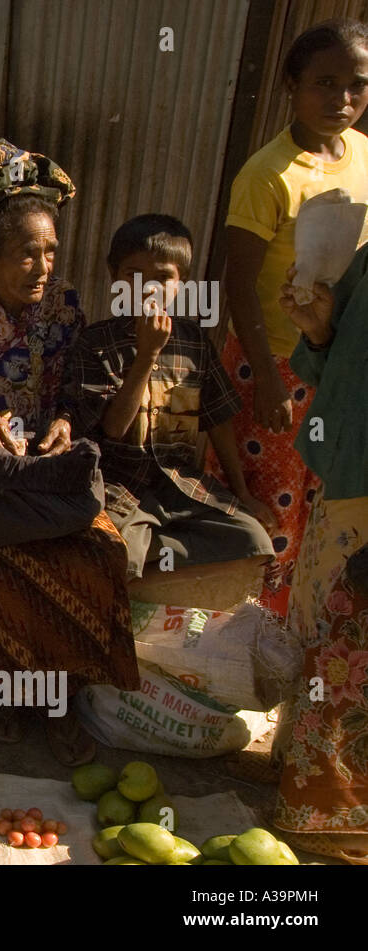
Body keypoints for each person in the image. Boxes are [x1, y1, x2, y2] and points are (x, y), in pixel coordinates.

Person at [0, 140, 137, 766]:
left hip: (48, 472)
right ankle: (11, 688)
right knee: (6, 550)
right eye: (26, 252)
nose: (43, 265)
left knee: (99, 547)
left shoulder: (65, 310)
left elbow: (79, 389)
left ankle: (63, 695)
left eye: (50, 250)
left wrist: (66, 424)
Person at [214, 18, 368, 615]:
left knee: (321, 501)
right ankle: (247, 630)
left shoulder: (361, 156)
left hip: (336, 363)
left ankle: (297, 628)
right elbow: (239, 282)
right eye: (324, 84)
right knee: (269, 510)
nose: (342, 100)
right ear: (291, 86)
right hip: (272, 362)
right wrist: (269, 377)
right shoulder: (267, 175)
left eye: (356, 85)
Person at [66, 214, 276, 598]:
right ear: (115, 277)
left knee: (252, 539)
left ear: (181, 285)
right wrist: (146, 356)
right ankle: (143, 557)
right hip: (120, 487)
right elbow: (113, 428)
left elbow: (219, 421)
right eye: (134, 274)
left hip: (183, 486)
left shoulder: (195, 342)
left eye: (163, 278)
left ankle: (156, 555)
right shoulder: (94, 343)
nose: (148, 288)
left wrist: (243, 494)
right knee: (111, 556)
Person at [272, 249, 368, 863]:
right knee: (325, 634)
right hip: (347, 475)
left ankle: (341, 813)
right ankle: (307, 793)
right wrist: (318, 329)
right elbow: (334, 362)